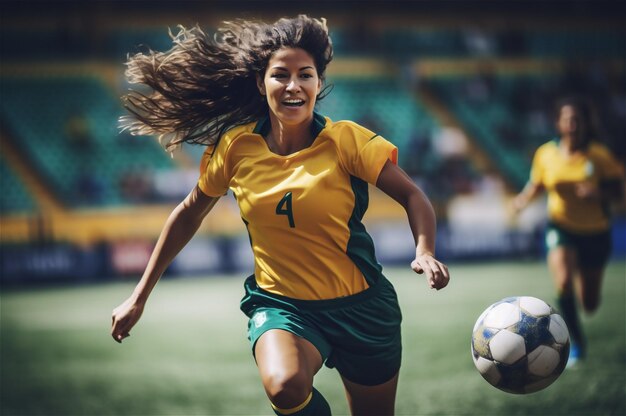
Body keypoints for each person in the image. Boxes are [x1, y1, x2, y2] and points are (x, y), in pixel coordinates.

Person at [111, 15, 450, 415]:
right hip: (283, 307)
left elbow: (413, 195)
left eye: (305, 75)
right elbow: (188, 214)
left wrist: (424, 250)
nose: (293, 86)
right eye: (280, 75)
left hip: (363, 308)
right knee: (285, 386)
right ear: (261, 83)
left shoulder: (345, 140)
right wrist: (139, 296)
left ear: (318, 84)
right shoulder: (236, 148)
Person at [513, 96, 624, 367]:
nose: (572, 125)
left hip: (595, 232)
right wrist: (523, 200)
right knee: (562, 282)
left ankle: (582, 299)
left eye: (577, 119)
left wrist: (598, 192)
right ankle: (576, 344)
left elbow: (618, 192)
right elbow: (537, 183)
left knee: (589, 302)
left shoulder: (599, 155)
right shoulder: (546, 153)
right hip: (560, 226)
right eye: (567, 119)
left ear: (585, 124)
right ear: (559, 123)